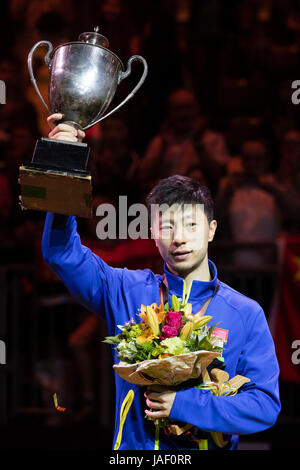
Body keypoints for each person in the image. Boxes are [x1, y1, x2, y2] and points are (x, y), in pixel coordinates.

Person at [39, 114, 280, 450]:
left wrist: (183, 405)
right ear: (152, 233)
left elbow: (265, 407)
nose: (178, 238)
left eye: (191, 226)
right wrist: (64, 164)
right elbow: (61, 252)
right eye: (166, 227)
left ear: (212, 229)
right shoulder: (127, 291)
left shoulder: (245, 313)